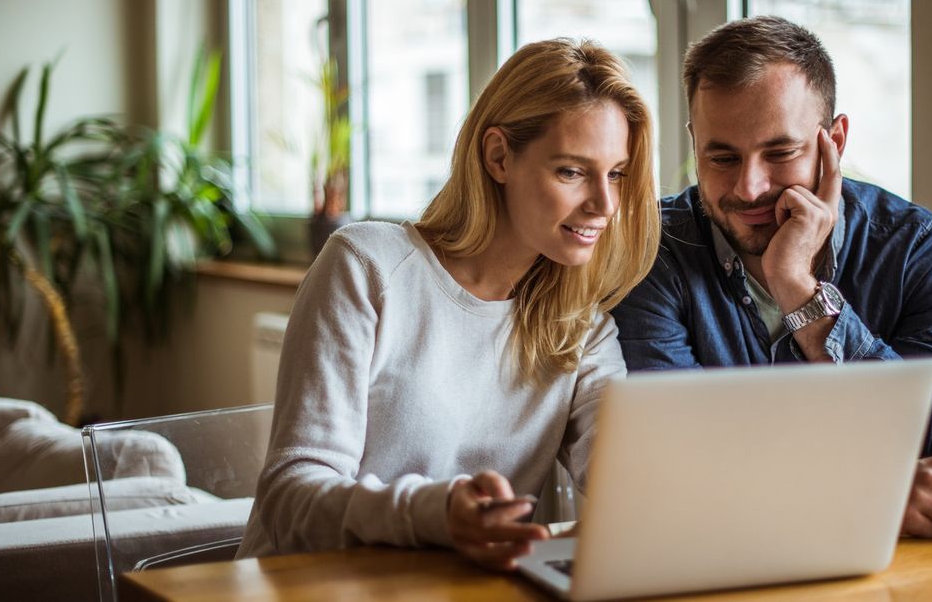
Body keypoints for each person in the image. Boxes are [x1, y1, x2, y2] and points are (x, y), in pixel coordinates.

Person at [237, 38, 660, 569]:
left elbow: (622, 472)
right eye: (572, 172)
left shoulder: (582, 326)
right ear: (498, 156)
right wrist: (435, 515)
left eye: (616, 173)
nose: (605, 204)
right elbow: (289, 496)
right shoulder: (367, 267)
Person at [610, 16, 932, 538]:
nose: (749, 188)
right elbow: (673, 462)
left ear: (834, 141)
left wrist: (800, 289)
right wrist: (867, 491)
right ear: (694, 143)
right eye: (722, 157)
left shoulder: (919, 250)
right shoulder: (650, 250)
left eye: (780, 153)